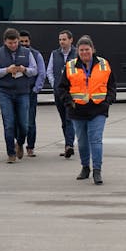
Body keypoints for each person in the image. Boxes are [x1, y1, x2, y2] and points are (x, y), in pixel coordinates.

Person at [55, 35, 116, 185]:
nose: (84, 53)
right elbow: (62, 88)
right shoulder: (70, 66)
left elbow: (112, 86)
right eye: (81, 50)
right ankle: (85, 167)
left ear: (93, 50)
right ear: (78, 51)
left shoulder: (103, 64)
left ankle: (97, 170)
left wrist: (108, 101)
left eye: (87, 50)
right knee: (82, 142)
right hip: (77, 110)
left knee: (95, 140)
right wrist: (68, 102)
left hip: (98, 109)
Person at [0, 28, 37, 163]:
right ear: (5, 42)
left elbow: (34, 70)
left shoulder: (27, 52)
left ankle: (19, 143)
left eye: (15, 42)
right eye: (10, 43)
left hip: (22, 92)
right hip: (5, 92)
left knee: (24, 124)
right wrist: (6, 70)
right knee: (9, 123)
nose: (13, 45)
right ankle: (11, 153)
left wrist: (25, 69)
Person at [43, 29, 77, 159]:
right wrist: (55, 85)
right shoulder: (54, 54)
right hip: (59, 92)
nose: (61, 42)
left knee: (69, 118)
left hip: (72, 92)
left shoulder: (76, 53)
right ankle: (67, 145)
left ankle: (69, 145)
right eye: (60, 39)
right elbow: (49, 71)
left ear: (70, 40)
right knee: (64, 120)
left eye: (64, 39)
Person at [18, 30, 47, 158]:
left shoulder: (36, 54)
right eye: (21, 41)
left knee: (30, 121)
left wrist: (36, 89)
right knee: (17, 120)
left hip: (30, 91)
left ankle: (30, 147)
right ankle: (18, 144)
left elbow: (42, 73)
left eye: (26, 41)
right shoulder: (14, 55)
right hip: (17, 91)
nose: (24, 44)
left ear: (30, 42)